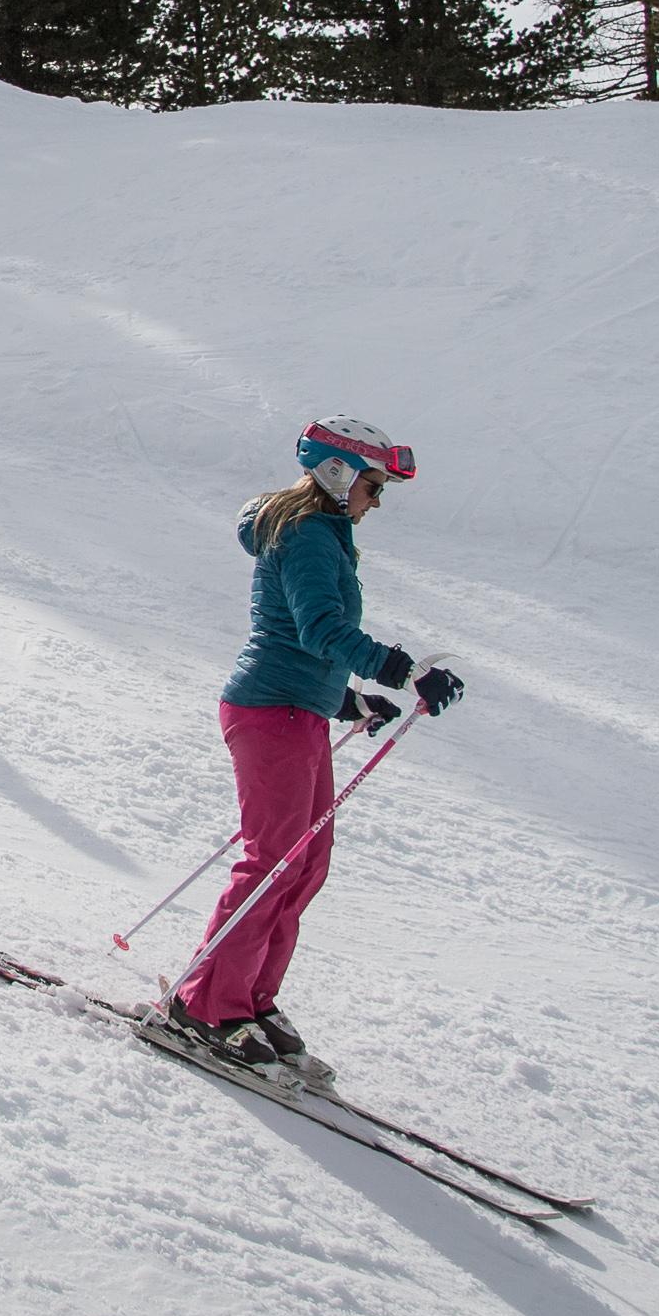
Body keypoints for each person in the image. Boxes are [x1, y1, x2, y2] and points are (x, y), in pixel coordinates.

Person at [161, 419, 462, 1067]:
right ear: (336, 474)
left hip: (300, 710)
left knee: (304, 864)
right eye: (372, 487)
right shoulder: (306, 536)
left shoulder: (325, 534)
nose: (375, 502)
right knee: (271, 861)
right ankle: (206, 1003)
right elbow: (322, 628)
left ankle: (249, 997)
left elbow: (299, 632)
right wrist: (407, 671)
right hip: (272, 711)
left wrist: (348, 698)